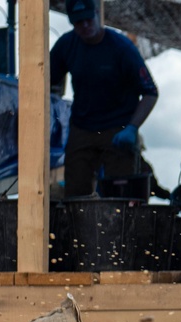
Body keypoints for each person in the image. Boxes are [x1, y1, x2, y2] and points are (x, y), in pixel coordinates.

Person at [50, 0, 158, 198]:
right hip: (83, 127)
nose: (84, 26)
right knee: (75, 194)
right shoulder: (67, 45)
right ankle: (78, 227)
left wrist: (132, 128)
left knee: (120, 195)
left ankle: (119, 227)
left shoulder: (122, 48)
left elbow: (150, 92)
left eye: (88, 20)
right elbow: (46, 80)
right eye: (78, 22)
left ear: (97, 16)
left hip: (118, 128)